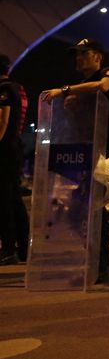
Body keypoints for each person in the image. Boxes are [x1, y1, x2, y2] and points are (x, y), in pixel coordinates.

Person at [42, 39, 109, 284]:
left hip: (106, 156)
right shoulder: (82, 89)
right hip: (87, 152)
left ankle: (101, 267)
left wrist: (65, 91)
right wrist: (71, 108)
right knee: (82, 212)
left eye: (84, 53)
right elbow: (82, 124)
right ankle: (100, 266)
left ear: (98, 56)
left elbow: (103, 86)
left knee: (93, 211)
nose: (78, 58)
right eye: (76, 55)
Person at [0, 55, 29, 264]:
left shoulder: (3, 89)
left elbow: (2, 121)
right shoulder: (18, 88)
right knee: (14, 199)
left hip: (4, 150)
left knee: (4, 201)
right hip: (14, 147)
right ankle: (23, 248)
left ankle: (9, 248)